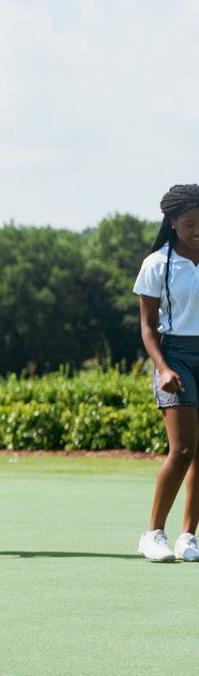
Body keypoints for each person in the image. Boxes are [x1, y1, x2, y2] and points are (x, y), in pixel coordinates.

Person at [134, 183, 199, 563]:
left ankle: (188, 536)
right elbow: (147, 326)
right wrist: (162, 368)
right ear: (173, 222)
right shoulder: (157, 263)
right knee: (183, 449)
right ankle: (153, 532)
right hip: (175, 357)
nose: (197, 230)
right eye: (190, 223)